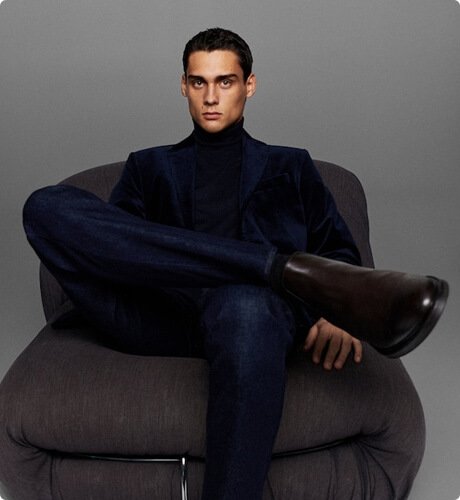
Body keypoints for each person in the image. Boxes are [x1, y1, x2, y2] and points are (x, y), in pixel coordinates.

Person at [22, 27, 448, 500]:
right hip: (158, 314)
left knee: (244, 304)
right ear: (183, 86)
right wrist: (270, 267)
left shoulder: (292, 166)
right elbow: (116, 250)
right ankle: (274, 266)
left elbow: (340, 252)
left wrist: (337, 313)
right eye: (199, 82)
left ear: (249, 85)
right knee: (44, 206)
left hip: (254, 321)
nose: (211, 97)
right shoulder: (147, 167)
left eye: (225, 82)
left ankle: (266, 273)